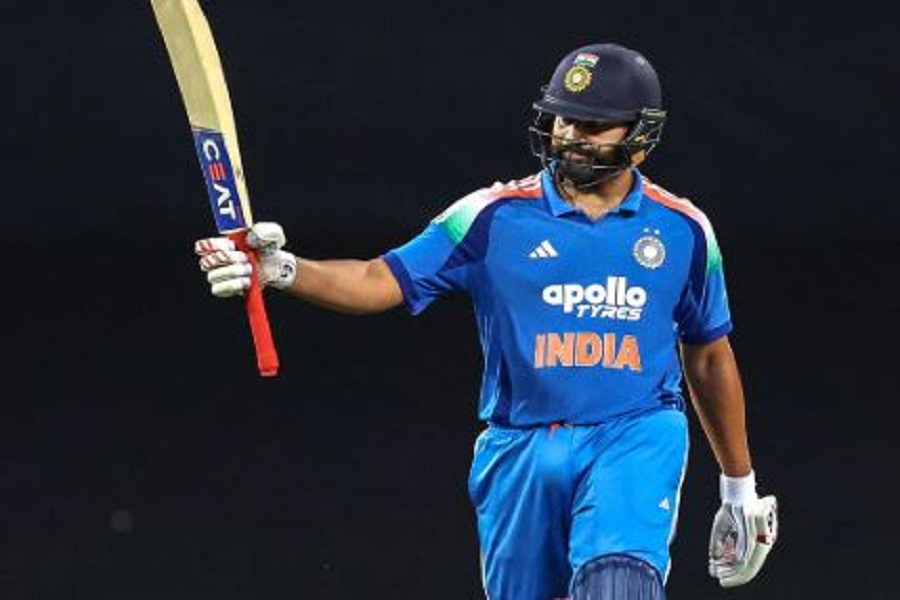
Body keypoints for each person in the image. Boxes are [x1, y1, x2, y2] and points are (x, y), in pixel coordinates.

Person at [193, 42, 778, 600]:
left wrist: (739, 488)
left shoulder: (683, 230)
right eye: (563, 119)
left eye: (594, 126)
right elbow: (377, 279)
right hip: (518, 447)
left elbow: (708, 356)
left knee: (618, 585)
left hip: (634, 434)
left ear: (640, 138)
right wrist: (282, 269)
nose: (571, 136)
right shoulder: (490, 217)